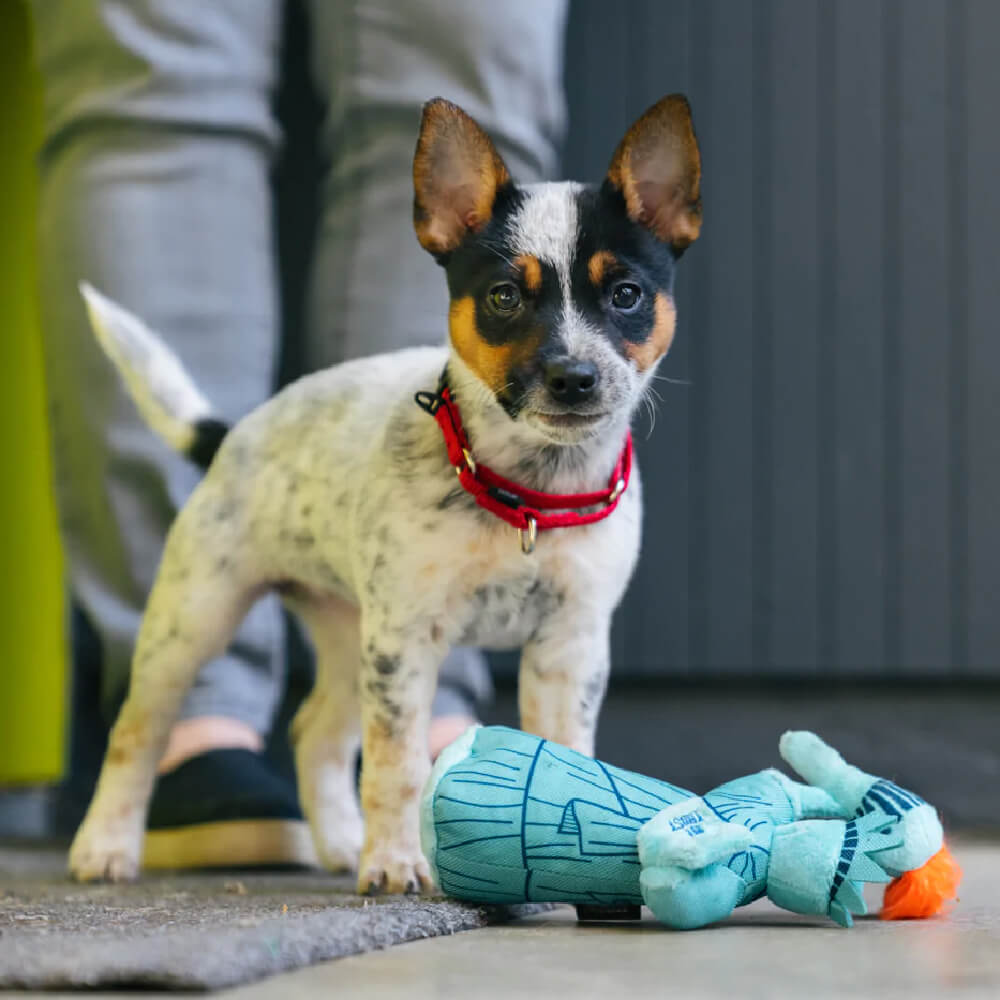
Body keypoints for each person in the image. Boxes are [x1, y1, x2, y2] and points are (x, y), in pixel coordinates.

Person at [30, 0, 568, 867]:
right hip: (269, 475)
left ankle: (424, 709)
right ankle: (193, 728)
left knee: (164, 85)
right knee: (172, 80)